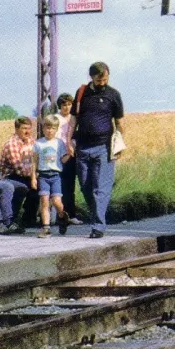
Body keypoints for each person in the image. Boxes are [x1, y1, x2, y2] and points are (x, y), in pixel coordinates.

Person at [72, 61, 124, 238]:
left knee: (100, 189)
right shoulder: (81, 94)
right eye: (100, 79)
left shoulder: (113, 95)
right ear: (92, 77)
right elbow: (74, 120)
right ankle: (97, 217)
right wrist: (69, 140)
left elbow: (119, 123)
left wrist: (119, 143)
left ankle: (98, 227)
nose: (103, 82)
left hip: (104, 147)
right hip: (82, 147)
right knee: (86, 187)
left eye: (105, 79)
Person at [31, 114, 71, 238]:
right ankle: (46, 228)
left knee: (57, 201)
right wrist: (33, 176)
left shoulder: (59, 143)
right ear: (43, 128)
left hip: (55, 175)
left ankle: (61, 216)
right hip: (43, 175)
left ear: (56, 129)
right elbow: (35, 161)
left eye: (53, 128)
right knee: (44, 201)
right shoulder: (39, 144)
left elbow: (63, 159)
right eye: (47, 128)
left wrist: (70, 153)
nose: (50, 131)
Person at [0, 116, 38, 231]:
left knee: (40, 186)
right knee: (27, 186)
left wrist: (37, 175)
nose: (27, 131)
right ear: (16, 129)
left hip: (27, 175)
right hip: (11, 176)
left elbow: (39, 158)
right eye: (24, 128)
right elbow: (19, 168)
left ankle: (29, 219)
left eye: (29, 128)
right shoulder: (12, 144)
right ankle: (12, 220)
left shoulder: (31, 141)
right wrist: (35, 175)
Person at [54, 93, 81, 224]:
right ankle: (57, 215)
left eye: (69, 104)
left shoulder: (74, 118)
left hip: (70, 154)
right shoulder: (55, 118)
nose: (67, 107)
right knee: (56, 186)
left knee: (69, 186)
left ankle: (71, 214)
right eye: (64, 104)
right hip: (57, 155)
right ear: (60, 106)